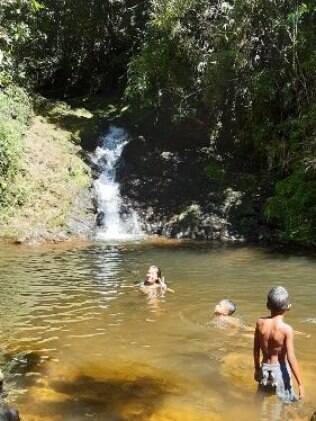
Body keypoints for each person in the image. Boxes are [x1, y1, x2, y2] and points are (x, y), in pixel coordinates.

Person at [253, 286, 304, 402]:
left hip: (264, 369)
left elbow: (256, 350)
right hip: (280, 370)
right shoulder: (286, 329)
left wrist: (256, 369)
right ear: (288, 307)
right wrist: (300, 384)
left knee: (261, 401)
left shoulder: (260, 323)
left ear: (267, 306)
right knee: (287, 402)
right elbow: (291, 358)